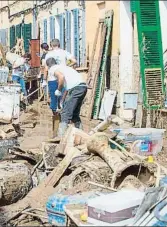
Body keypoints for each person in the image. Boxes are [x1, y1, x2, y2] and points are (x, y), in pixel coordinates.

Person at [45, 57, 87, 137]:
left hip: (76, 88)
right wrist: (62, 102)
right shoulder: (65, 67)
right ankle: (82, 136)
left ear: (48, 66)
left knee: (65, 114)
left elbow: (61, 77)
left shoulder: (53, 69)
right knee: (74, 114)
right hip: (82, 87)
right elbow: (67, 89)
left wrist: (58, 90)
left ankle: (60, 137)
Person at [44, 39, 76, 115]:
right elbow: (74, 61)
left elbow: (46, 68)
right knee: (62, 98)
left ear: (51, 45)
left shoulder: (49, 54)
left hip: (53, 78)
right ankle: (64, 115)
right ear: (59, 45)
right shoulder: (64, 52)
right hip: (63, 78)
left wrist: (44, 80)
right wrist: (66, 66)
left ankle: (56, 116)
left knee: (54, 98)